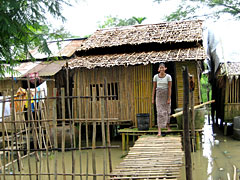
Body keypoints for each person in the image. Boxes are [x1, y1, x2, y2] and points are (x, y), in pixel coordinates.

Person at [152, 63, 172, 136]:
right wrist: (152, 98)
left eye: (163, 68)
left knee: (167, 111)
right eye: (160, 68)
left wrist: (169, 98)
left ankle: (168, 126)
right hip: (158, 95)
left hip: (166, 94)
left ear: (165, 68)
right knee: (159, 112)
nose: (161, 69)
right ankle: (159, 130)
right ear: (158, 69)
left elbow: (169, 88)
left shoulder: (168, 77)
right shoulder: (155, 77)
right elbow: (154, 88)